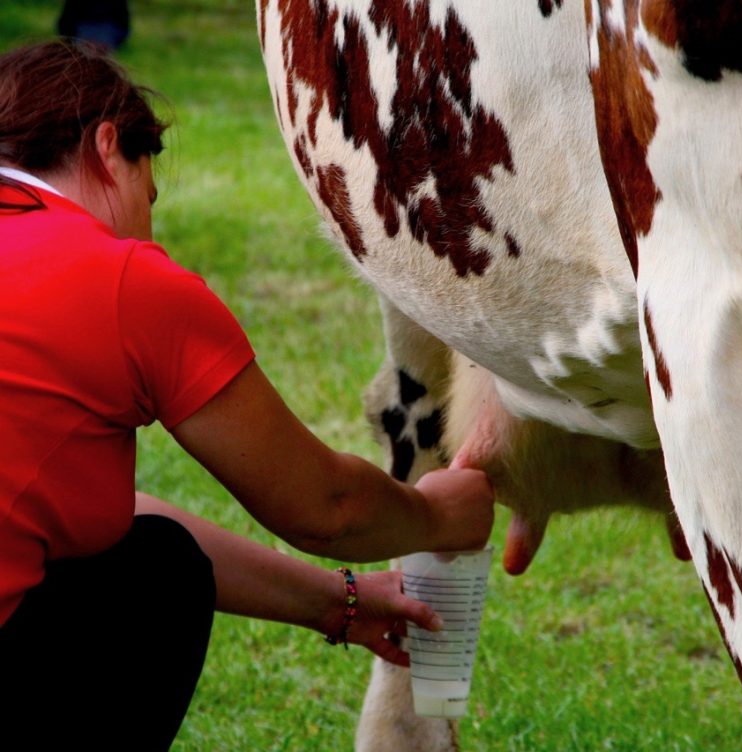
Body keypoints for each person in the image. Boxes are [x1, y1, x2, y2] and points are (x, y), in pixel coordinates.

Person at [0, 40, 494, 751]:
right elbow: (325, 508)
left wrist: (339, 604)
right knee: (155, 580)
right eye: (150, 196)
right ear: (108, 148)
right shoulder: (116, 277)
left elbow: (109, 519)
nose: (149, 229)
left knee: (151, 552)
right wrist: (436, 516)